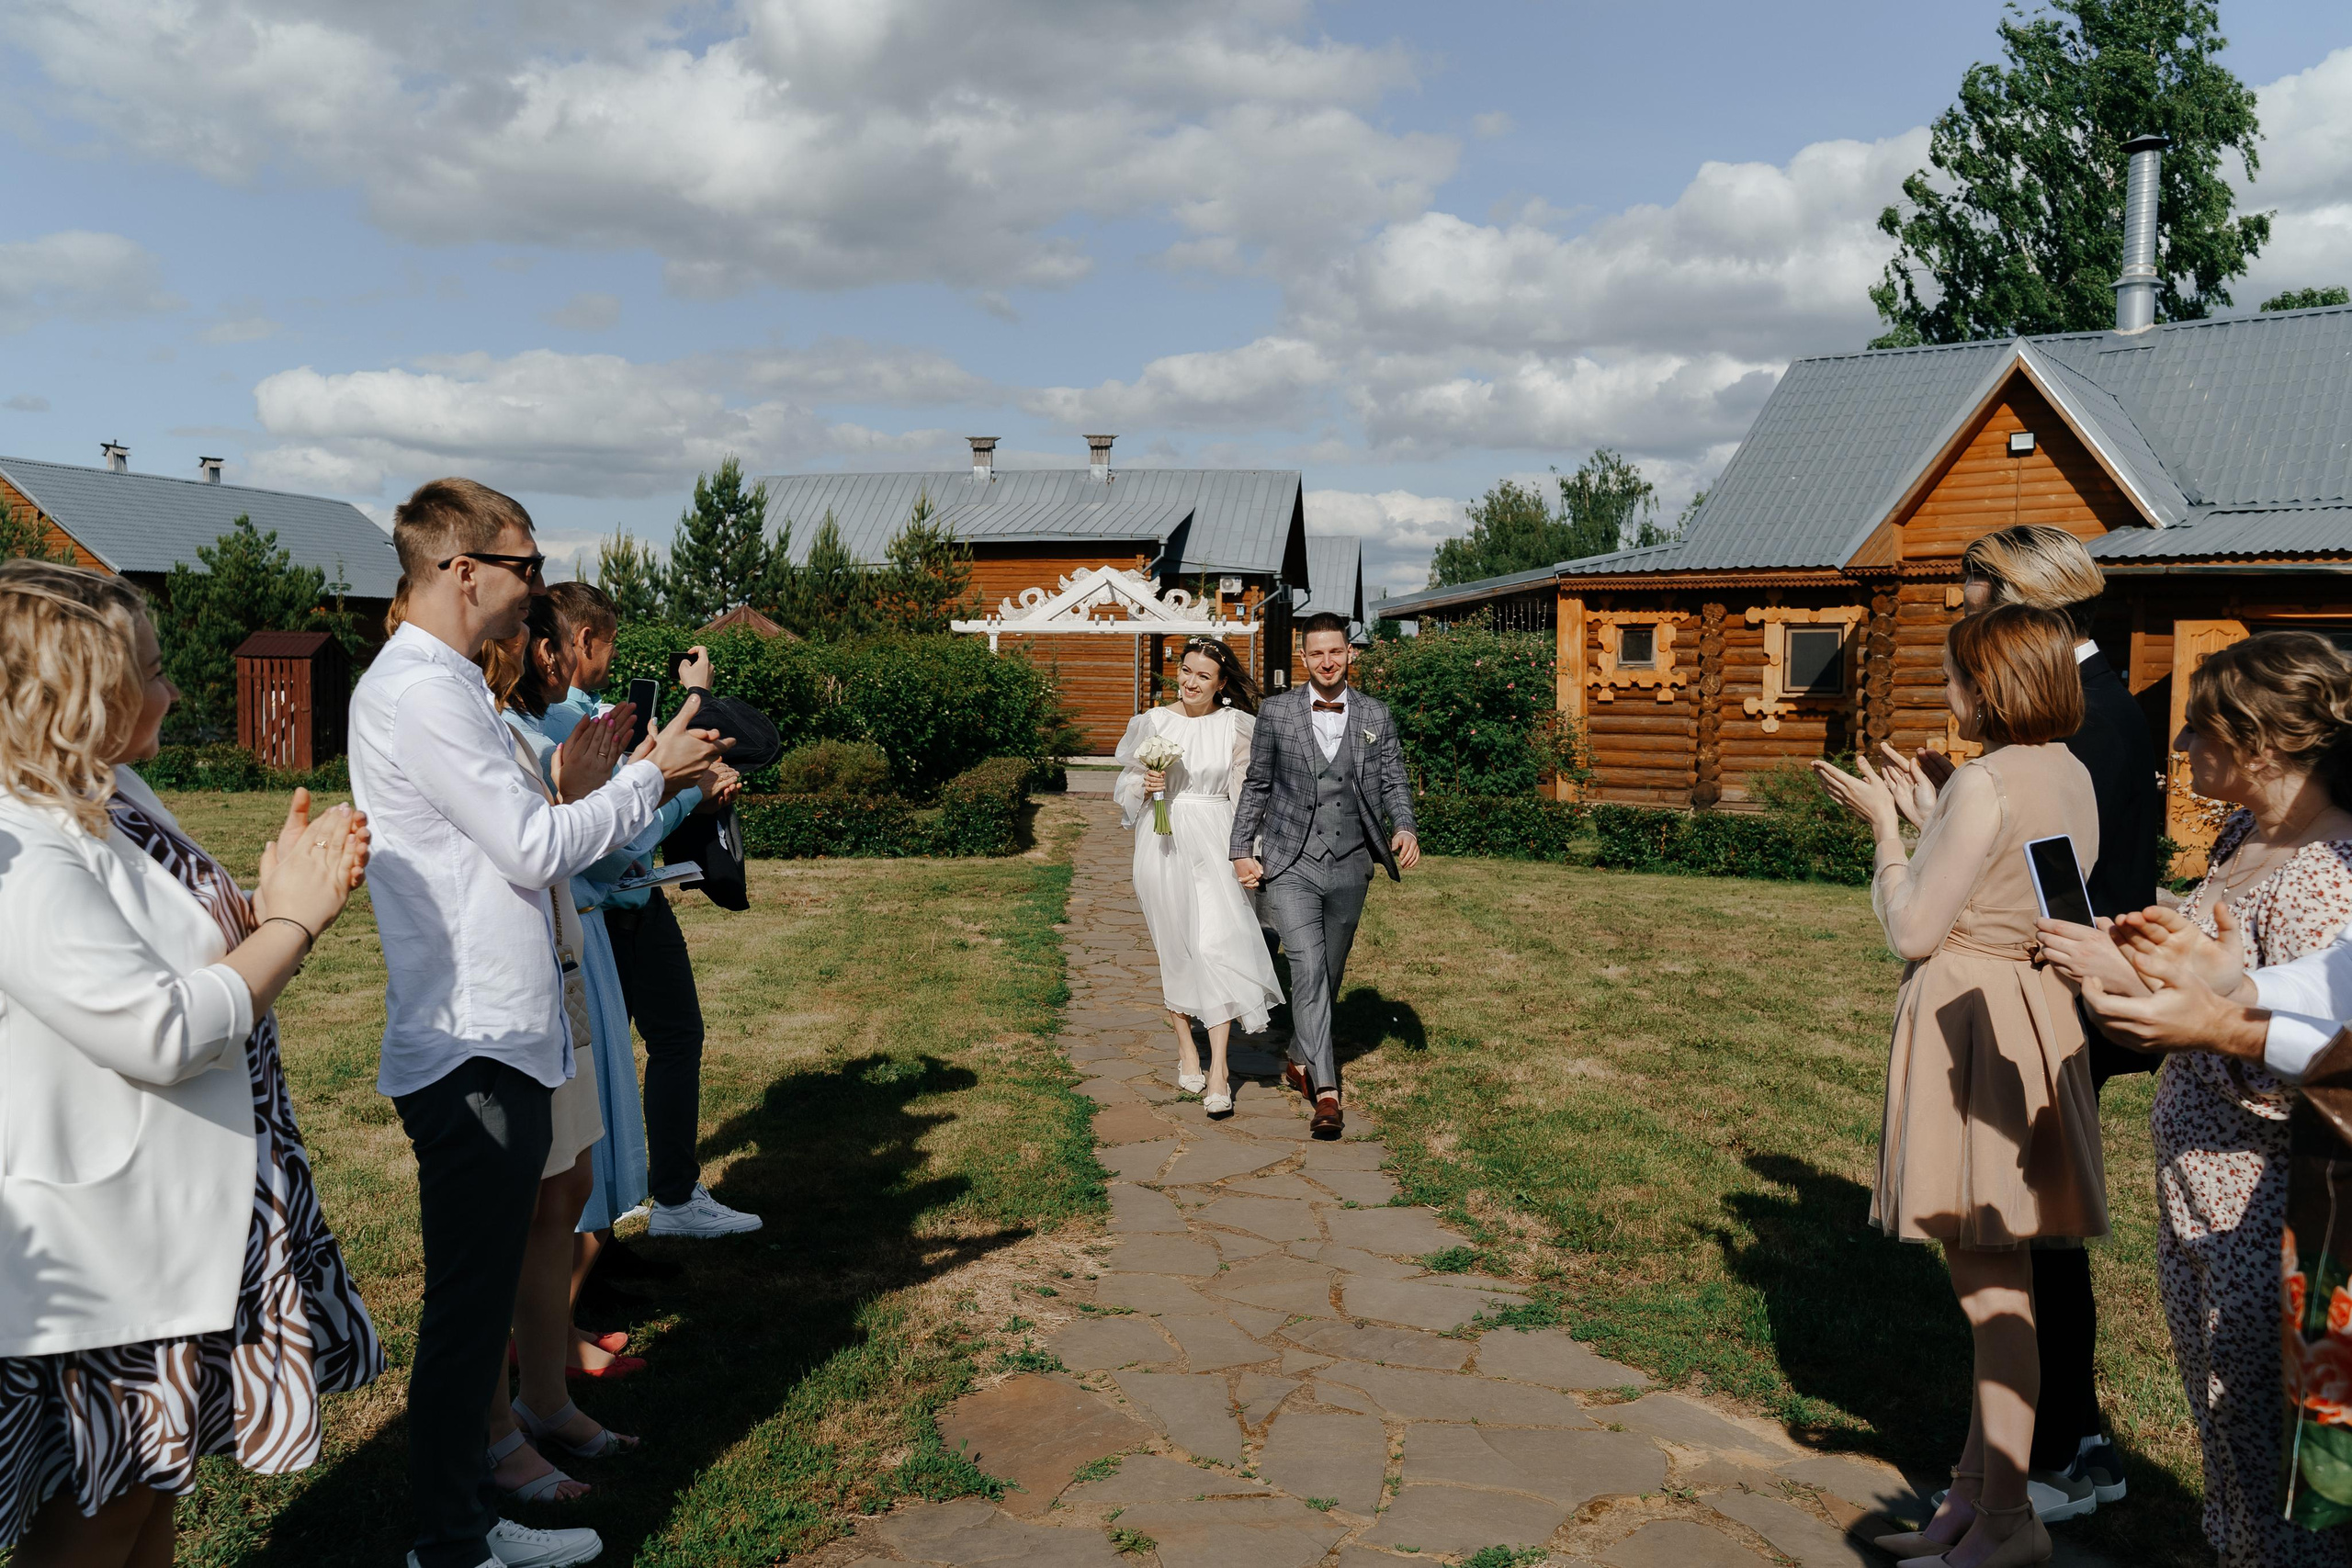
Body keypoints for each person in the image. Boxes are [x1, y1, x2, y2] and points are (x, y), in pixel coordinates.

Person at [350, 478, 725, 1568]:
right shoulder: (422, 692)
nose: (537, 585)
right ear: (461, 569)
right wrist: (649, 777)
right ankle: (454, 1541)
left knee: (481, 1299)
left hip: (502, 1025)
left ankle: (471, 1512)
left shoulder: (448, 684)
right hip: (469, 1036)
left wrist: (585, 787)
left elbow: (517, 835)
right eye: (525, 564)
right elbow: (529, 848)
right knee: (468, 1311)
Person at [0, 558, 380, 1566]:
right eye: (152, 674)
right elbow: (158, 1031)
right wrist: (296, 921)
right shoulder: (23, 853)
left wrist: (272, 896)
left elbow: (180, 951)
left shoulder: (110, 791)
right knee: (106, 1504)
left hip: (191, 1213)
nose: (172, 691)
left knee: (157, 1489)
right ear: (77, 697)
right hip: (112, 1241)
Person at [2039, 633, 2352, 1567]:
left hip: (2271, 1204)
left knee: (2276, 1444)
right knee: (2224, 1429)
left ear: (2260, 743)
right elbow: (2236, 980)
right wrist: (2136, 961)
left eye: (2198, 728)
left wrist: (2202, 1020)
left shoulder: (2327, 877)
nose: (2179, 748)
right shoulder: (2243, 834)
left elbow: (2331, 1069)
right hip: (2196, 1185)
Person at [1814, 604, 2106, 1568]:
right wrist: (1942, 810)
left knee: (1989, 1290)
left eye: (1953, 677)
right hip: (2031, 1012)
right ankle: (1972, 1499)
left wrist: (1889, 831)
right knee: (2005, 1272)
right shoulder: (2070, 772)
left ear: (1987, 687)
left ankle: (2009, 1521)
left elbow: (1911, 928)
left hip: (1970, 1025)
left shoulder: (1986, 779)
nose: (1945, 693)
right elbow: (2057, 902)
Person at [1951, 524, 2161, 1514]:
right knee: (2040, 1224)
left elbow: (2065, 880)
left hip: (2065, 987)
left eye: (1968, 585)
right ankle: (2060, 1440)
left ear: (2014, 593)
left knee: (2039, 1224)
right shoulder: (2092, 699)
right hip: (2067, 979)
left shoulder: (2087, 718)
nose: (1958, 604)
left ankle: (2073, 1449)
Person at [477, 612, 643, 1502]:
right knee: (521, 1203)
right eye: (533, 639)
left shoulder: (510, 725)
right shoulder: (464, 719)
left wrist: (574, 790)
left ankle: (544, 1395)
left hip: (561, 962)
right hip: (510, 988)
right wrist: (602, 790)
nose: (548, 654)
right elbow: (530, 847)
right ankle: (504, 1421)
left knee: (569, 1183)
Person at [542, 582, 759, 1238]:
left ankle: (660, 1198)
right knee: (593, 1080)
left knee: (673, 1036)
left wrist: (688, 785)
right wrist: (690, 793)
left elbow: (636, 797)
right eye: (607, 645)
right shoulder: (559, 724)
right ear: (583, 640)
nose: (610, 660)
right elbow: (614, 841)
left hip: (638, 902)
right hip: (601, 916)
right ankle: (602, 1236)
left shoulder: (590, 710)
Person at [1230, 612, 1419, 1138]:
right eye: (1316, 654)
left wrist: (1404, 826)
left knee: (1328, 975)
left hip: (1353, 865)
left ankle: (1297, 1053)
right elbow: (1258, 784)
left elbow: (1393, 781)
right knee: (1308, 970)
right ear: (1304, 657)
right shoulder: (1277, 712)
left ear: (1350, 653)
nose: (1327, 662)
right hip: (1291, 862)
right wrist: (1241, 848)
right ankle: (1327, 1092)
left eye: (1335, 652)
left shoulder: (1376, 715)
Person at [1114, 637, 1284, 1114]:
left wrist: (1250, 854)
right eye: (1186, 671)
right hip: (1162, 843)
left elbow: (1247, 796)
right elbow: (1126, 795)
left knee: (1216, 945)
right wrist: (1146, 786)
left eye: (1203, 676)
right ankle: (1187, 1047)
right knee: (1177, 947)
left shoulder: (1236, 726)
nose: (1190, 682)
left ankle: (1219, 1070)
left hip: (1216, 839)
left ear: (1222, 683)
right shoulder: (1153, 722)